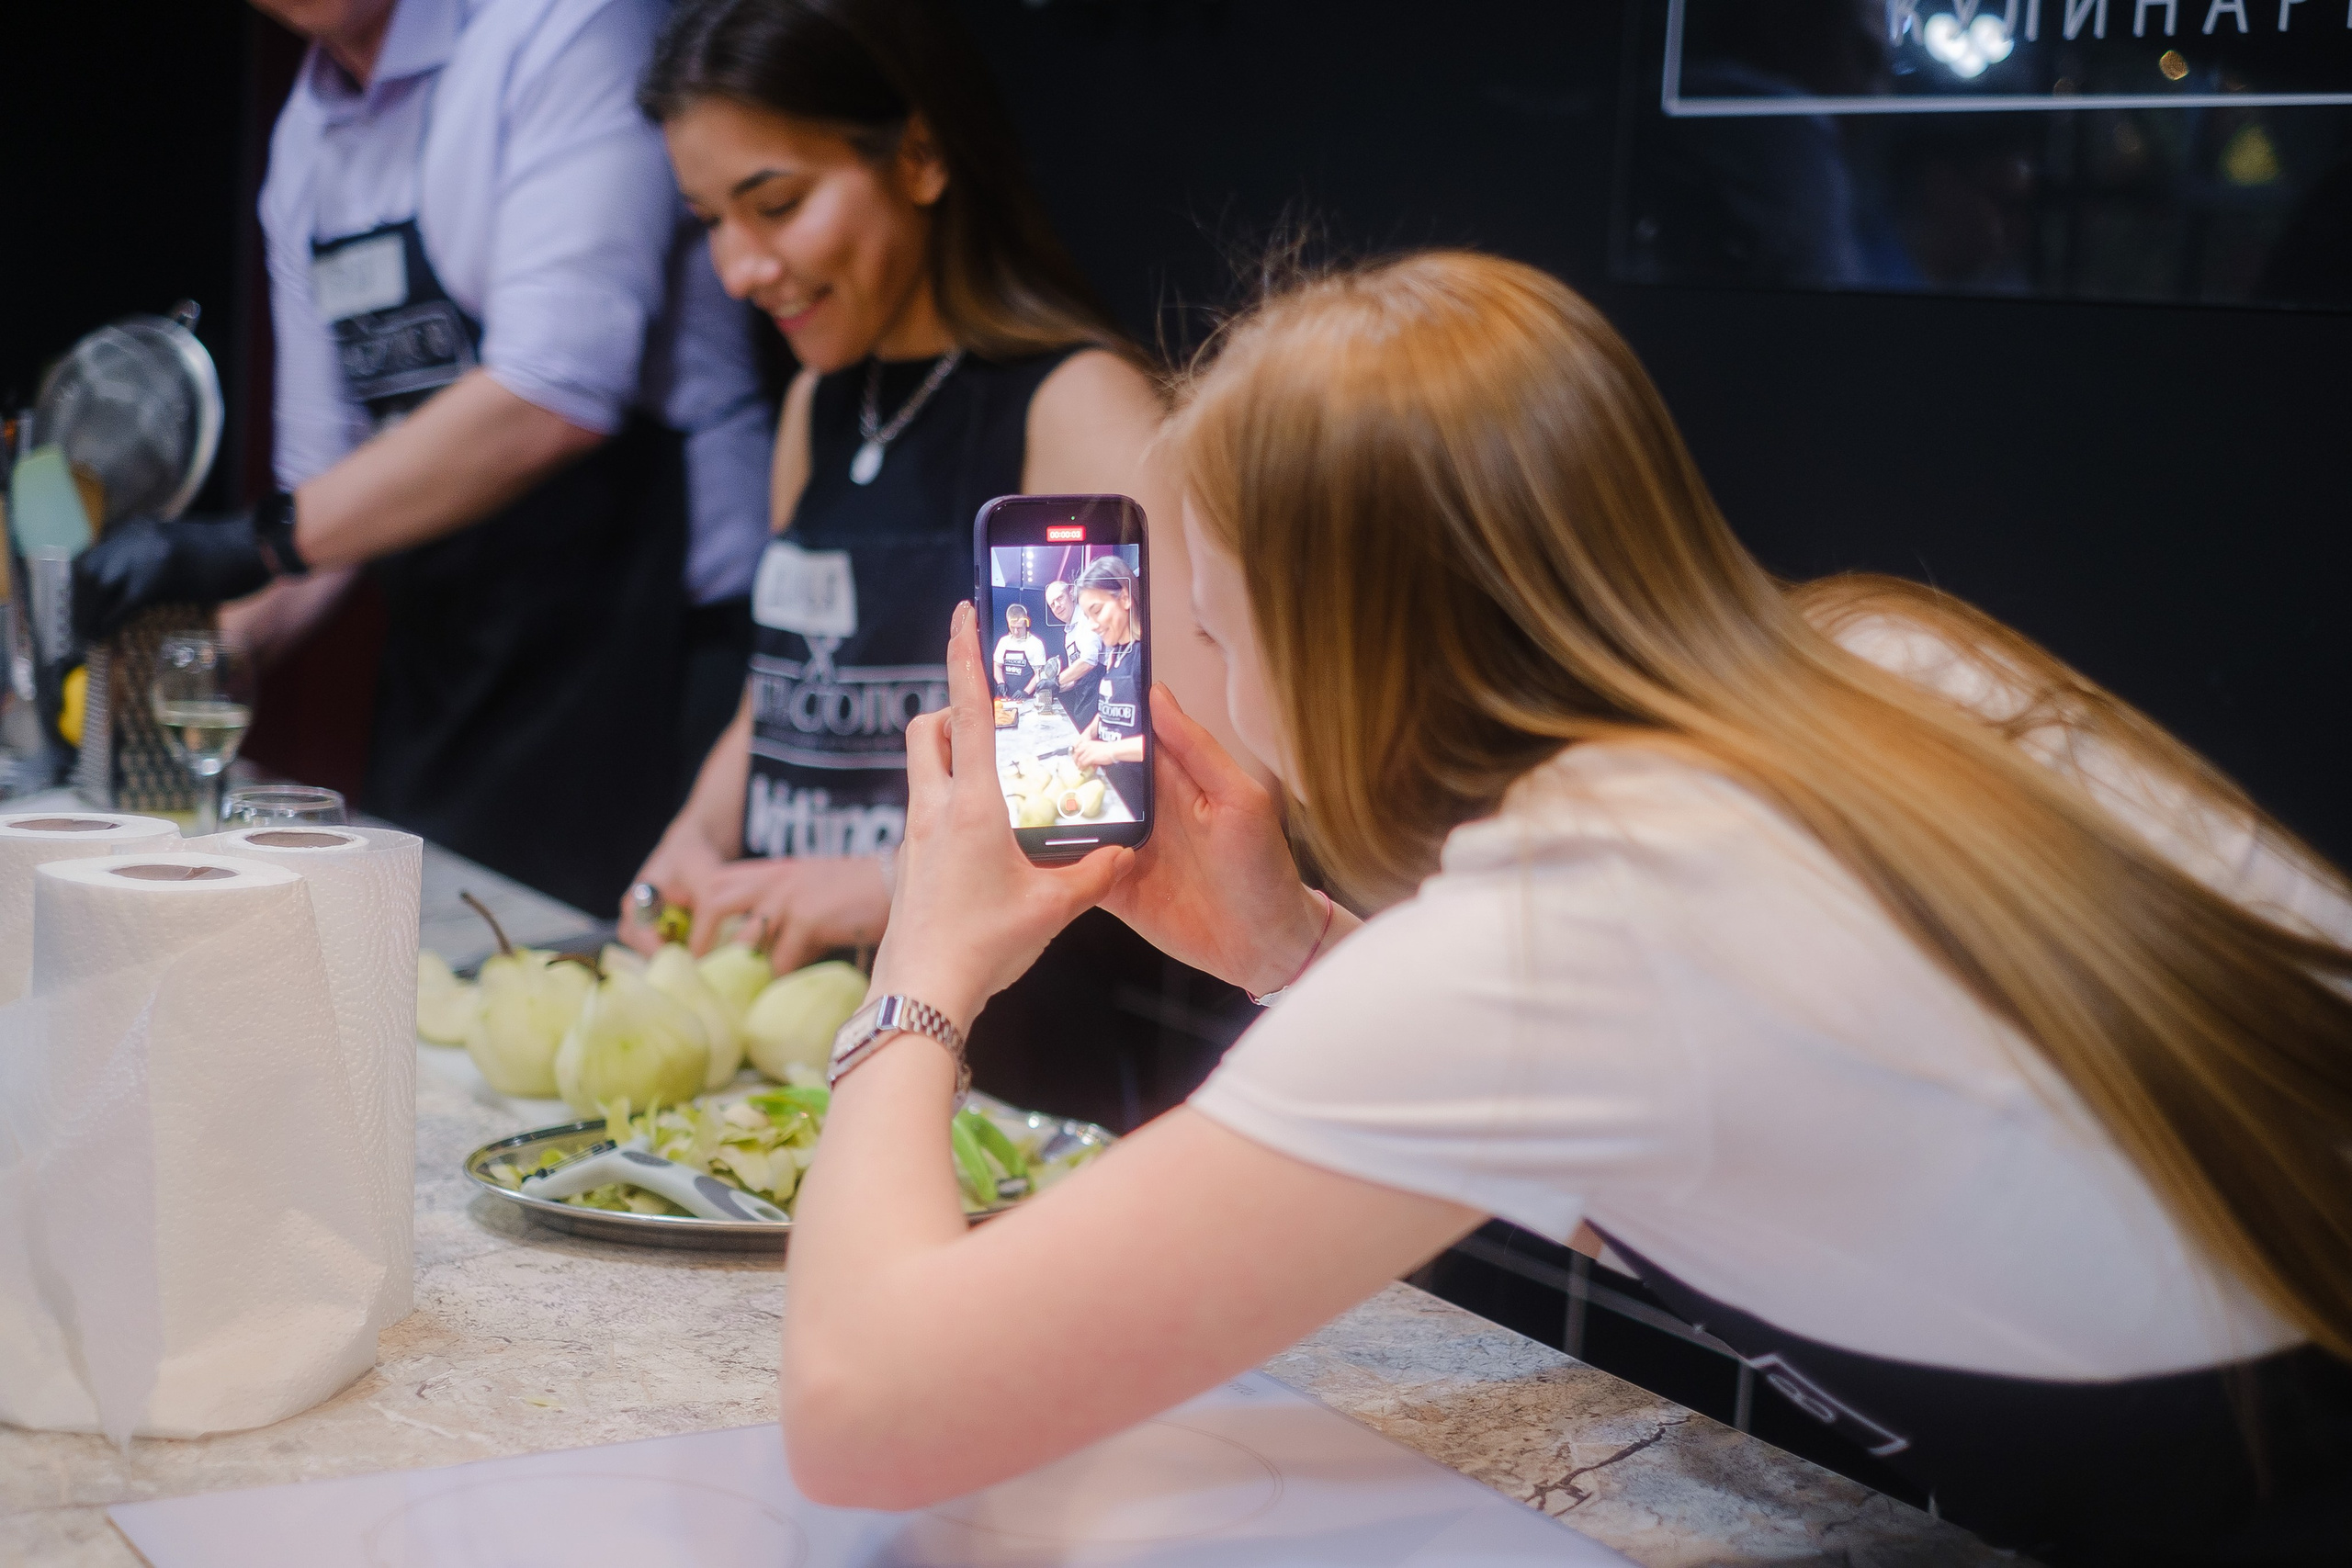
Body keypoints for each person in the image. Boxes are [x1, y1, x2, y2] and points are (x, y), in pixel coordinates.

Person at [771, 254, 2352, 1564]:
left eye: (1217, 630)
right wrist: (1285, 949)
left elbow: (865, 1408)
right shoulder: (1898, 659)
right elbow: (1700, 1125)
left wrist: (926, 960)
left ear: (1336, 653)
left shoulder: (1550, 939)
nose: (1228, 690)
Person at [70, 0, 774, 913]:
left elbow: (552, 395)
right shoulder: (306, 142)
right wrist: (211, 652)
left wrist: (245, 542)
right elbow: (328, 494)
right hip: (456, 656)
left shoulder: (562, 30)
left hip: (650, 655)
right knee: (414, 960)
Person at [620, 0, 1239, 972]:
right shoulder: (816, 407)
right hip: (809, 1024)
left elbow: (1190, 767)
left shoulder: (1070, 406)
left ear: (918, 156)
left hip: (1003, 1044)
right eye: (710, 222)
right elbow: (783, 687)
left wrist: (880, 884)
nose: (738, 269)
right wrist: (697, 834)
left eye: (775, 204)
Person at [1065, 554, 1145, 818]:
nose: (1092, 625)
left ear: (1124, 597)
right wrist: (1090, 731)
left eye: (1096, 611)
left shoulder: (1146, 658)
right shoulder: (1117, 653)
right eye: (1087, 615)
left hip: (1139, 797)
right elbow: (1112, 705)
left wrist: (1107, 751)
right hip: (1115, 788)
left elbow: (1158, 744)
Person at [1043, 576, 1101, 729]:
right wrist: (1053, 688)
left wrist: (1056, 681)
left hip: (1100, 698)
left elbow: (1089, 662)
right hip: (1084, 697)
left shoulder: (1086, 618)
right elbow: (1074, 679)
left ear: (1071, 593)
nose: (1057, 606)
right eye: (1052, 604)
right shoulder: (1069, 634)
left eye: (1060, 598)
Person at [990, 603, 1045, 700]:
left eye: (1019, 628)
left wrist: (1026, 692)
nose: (1015, 632)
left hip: (1027, 698)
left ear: (1026, 623)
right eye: (1012, 627)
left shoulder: (1036, 643)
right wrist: (1000, 682)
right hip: (1005, 697)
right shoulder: (1003, 641)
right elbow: (997, 666)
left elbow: (1039, 673)